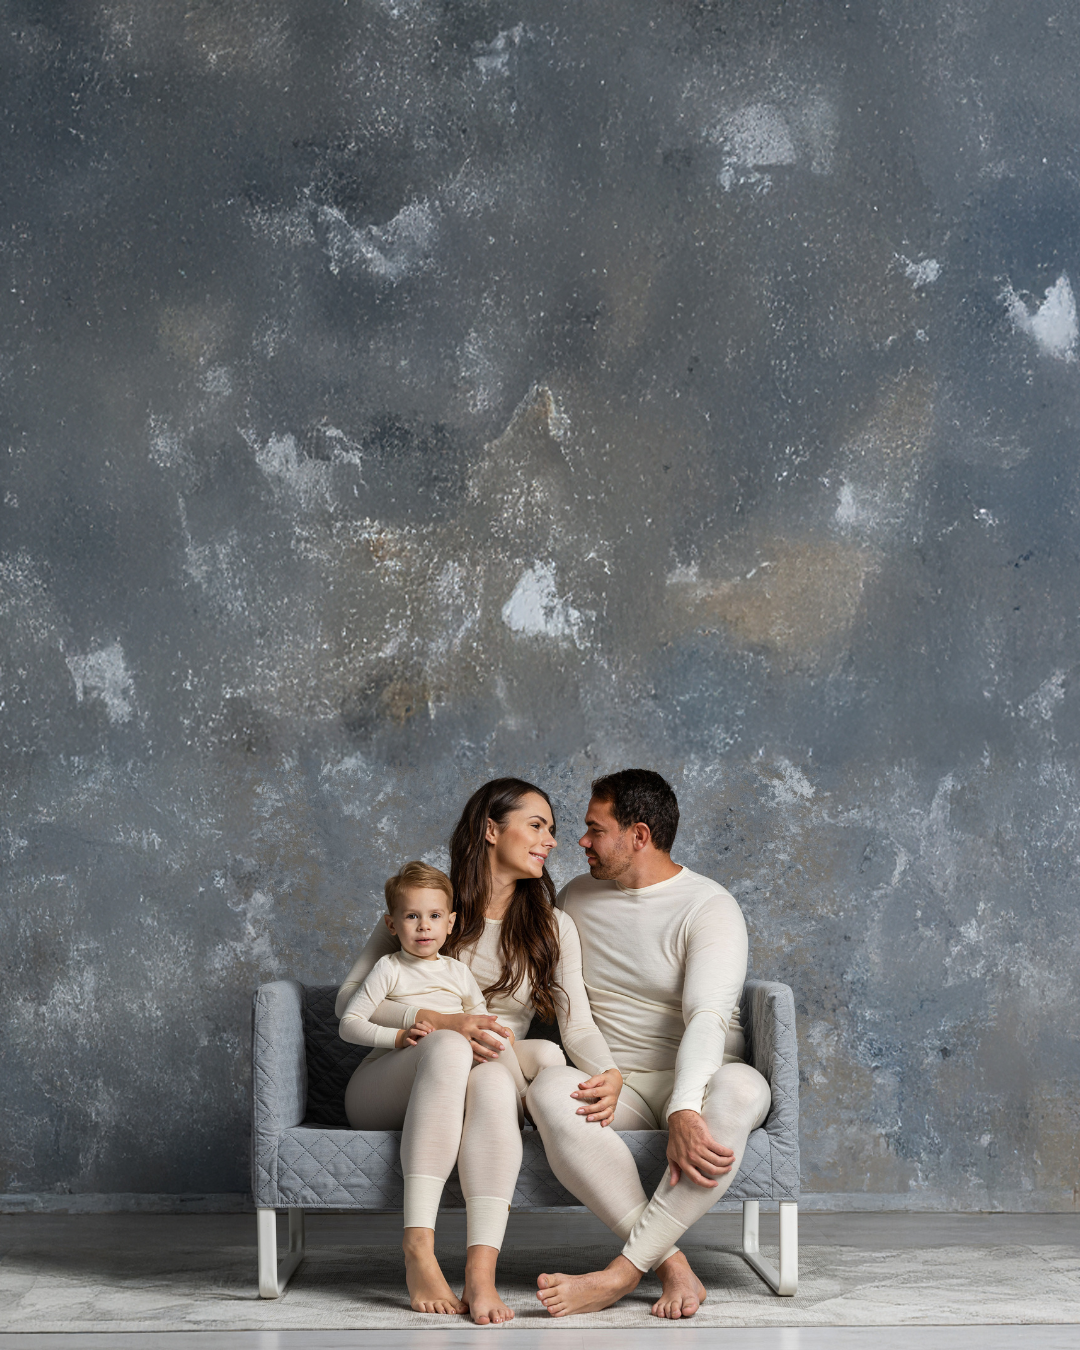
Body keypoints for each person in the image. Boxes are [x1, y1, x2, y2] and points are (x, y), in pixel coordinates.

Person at [336, 778, 620, 1325]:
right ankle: (418, 1247)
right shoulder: (427, 908)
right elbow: (349, 1002)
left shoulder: (553, 925)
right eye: (536, 825)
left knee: (489, 1076)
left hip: (492, 1074)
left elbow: (576, 1024)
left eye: (554, 830)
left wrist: (609, 1072)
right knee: (447, 1047)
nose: (551, 841)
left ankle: (479, 1274)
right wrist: (440, 1020)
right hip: (393, 1078)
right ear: (491, 829)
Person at [525, 769, 772, 1320]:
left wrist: (685, 1106)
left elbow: (707, 1016)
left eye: (595, 828)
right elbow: (571, 1009)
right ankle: (671, 1264)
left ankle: (621, 1272)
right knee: (549, 1092)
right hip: (622, 1083)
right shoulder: (575, 898)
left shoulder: (710, 905)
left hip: (706, 1075)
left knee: (739, 1090)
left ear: (638, 835)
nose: (580, 842)